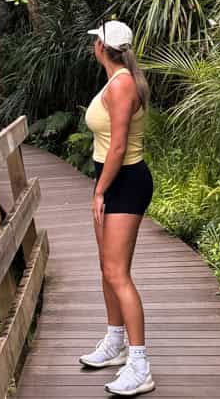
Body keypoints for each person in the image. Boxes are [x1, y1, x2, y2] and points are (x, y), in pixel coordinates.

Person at [78, 20, 155, 396]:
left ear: (100, 47)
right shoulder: (118, 80)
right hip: (111, 182)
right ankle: (114, 342)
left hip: (124, 184)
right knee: (107, 268)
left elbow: (120, 146)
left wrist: (99, 192)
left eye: (95, 40)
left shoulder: (123, 84)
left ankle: (140, 365)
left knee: (118, 273)